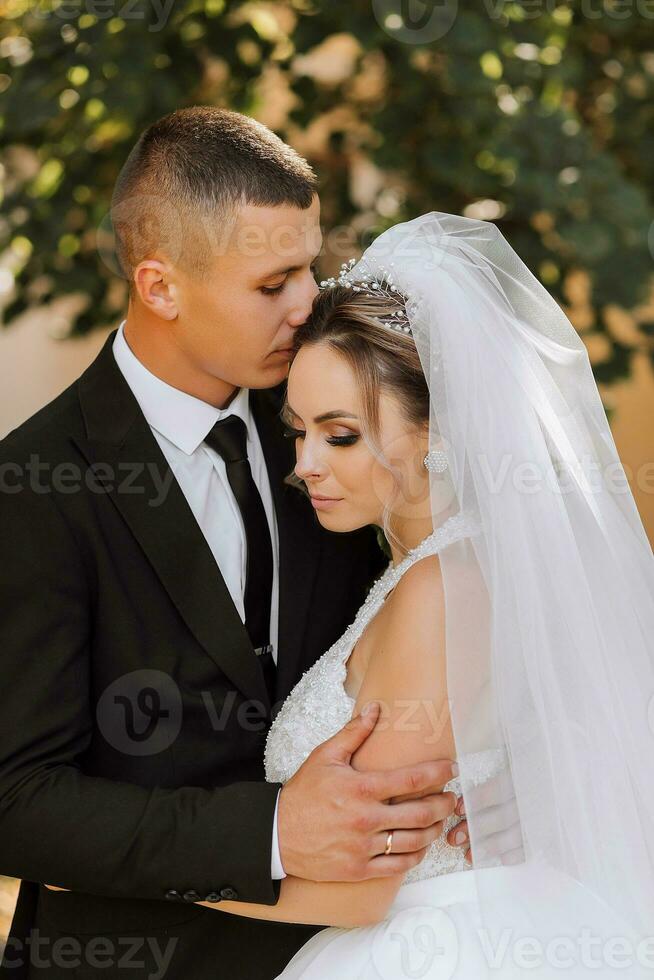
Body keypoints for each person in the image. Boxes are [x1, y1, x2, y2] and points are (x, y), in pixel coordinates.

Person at [0, 111, 459, 980]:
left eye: (311, 268)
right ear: (161, 286)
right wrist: (275, 831)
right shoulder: (31, 487)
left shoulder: (333, 431)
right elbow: (15, 798)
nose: (309, 304)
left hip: (352, 950)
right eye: (273, 282)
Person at [188, 213, 654, 978]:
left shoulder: (442, 587)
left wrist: (140, 878)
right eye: (297, 429)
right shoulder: (439, 568)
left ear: (438, 431)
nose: (303, 463)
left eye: (340, 436)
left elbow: (366, 883)